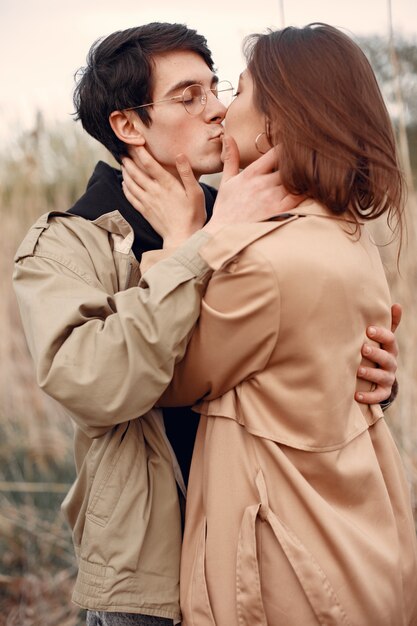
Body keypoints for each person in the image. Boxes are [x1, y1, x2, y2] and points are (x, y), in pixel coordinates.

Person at [12, 22, 400, 626]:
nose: (218, 110)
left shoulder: (253, 213)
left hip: (260, 561)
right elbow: (90, 381)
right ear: (128, 126)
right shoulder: (68, 243)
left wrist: (369, 370)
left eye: (216, 89)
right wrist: (196, 245)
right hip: (152, 578)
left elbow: (295, 351)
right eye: (188, 97)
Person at [125, 23, 417, 625]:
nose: (223, 108)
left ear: (279, 123)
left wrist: (184, 240)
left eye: (240, 90)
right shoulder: (348, 232)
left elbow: (164, 375)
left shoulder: (268, 263)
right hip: (356, 548)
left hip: (288, 573)